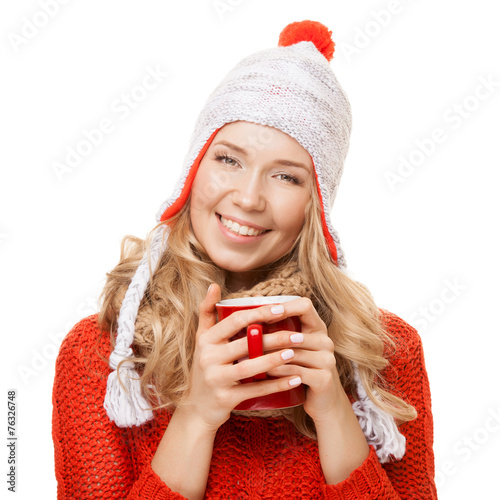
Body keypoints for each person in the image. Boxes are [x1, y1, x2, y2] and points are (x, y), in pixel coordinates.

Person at [51, 20, 437, 499]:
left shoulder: (384, 351)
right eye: (228, 160)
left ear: (317, 203)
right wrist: (195, 416)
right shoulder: (104, 357)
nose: (249, 198)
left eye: (286, 177)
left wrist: (336, 412)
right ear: (194, 170)